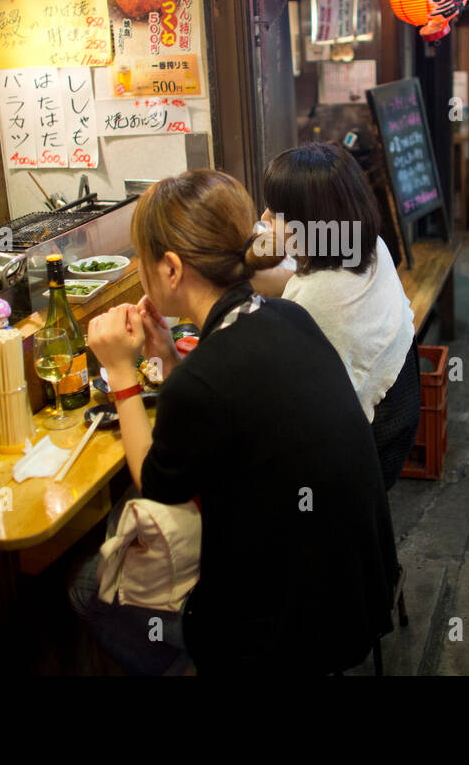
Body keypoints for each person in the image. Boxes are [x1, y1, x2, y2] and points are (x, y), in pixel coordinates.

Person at [71, 169, 399, 675]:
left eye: (143, 258)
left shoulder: (205, 378)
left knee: (88, 587)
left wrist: (120, 372)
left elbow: (155, 482)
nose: (140, 269)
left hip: (287, 632)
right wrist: (165, 359)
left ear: (172, 269)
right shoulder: (287, 316)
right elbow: (220, 405)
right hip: (362, 591)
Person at [251, 142, 418, 489]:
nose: (264, 218)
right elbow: (295, 281)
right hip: (398, 407)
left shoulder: (312, 300)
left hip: (364, 453)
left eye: (277, 213)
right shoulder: (367, 245)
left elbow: (281, 396)